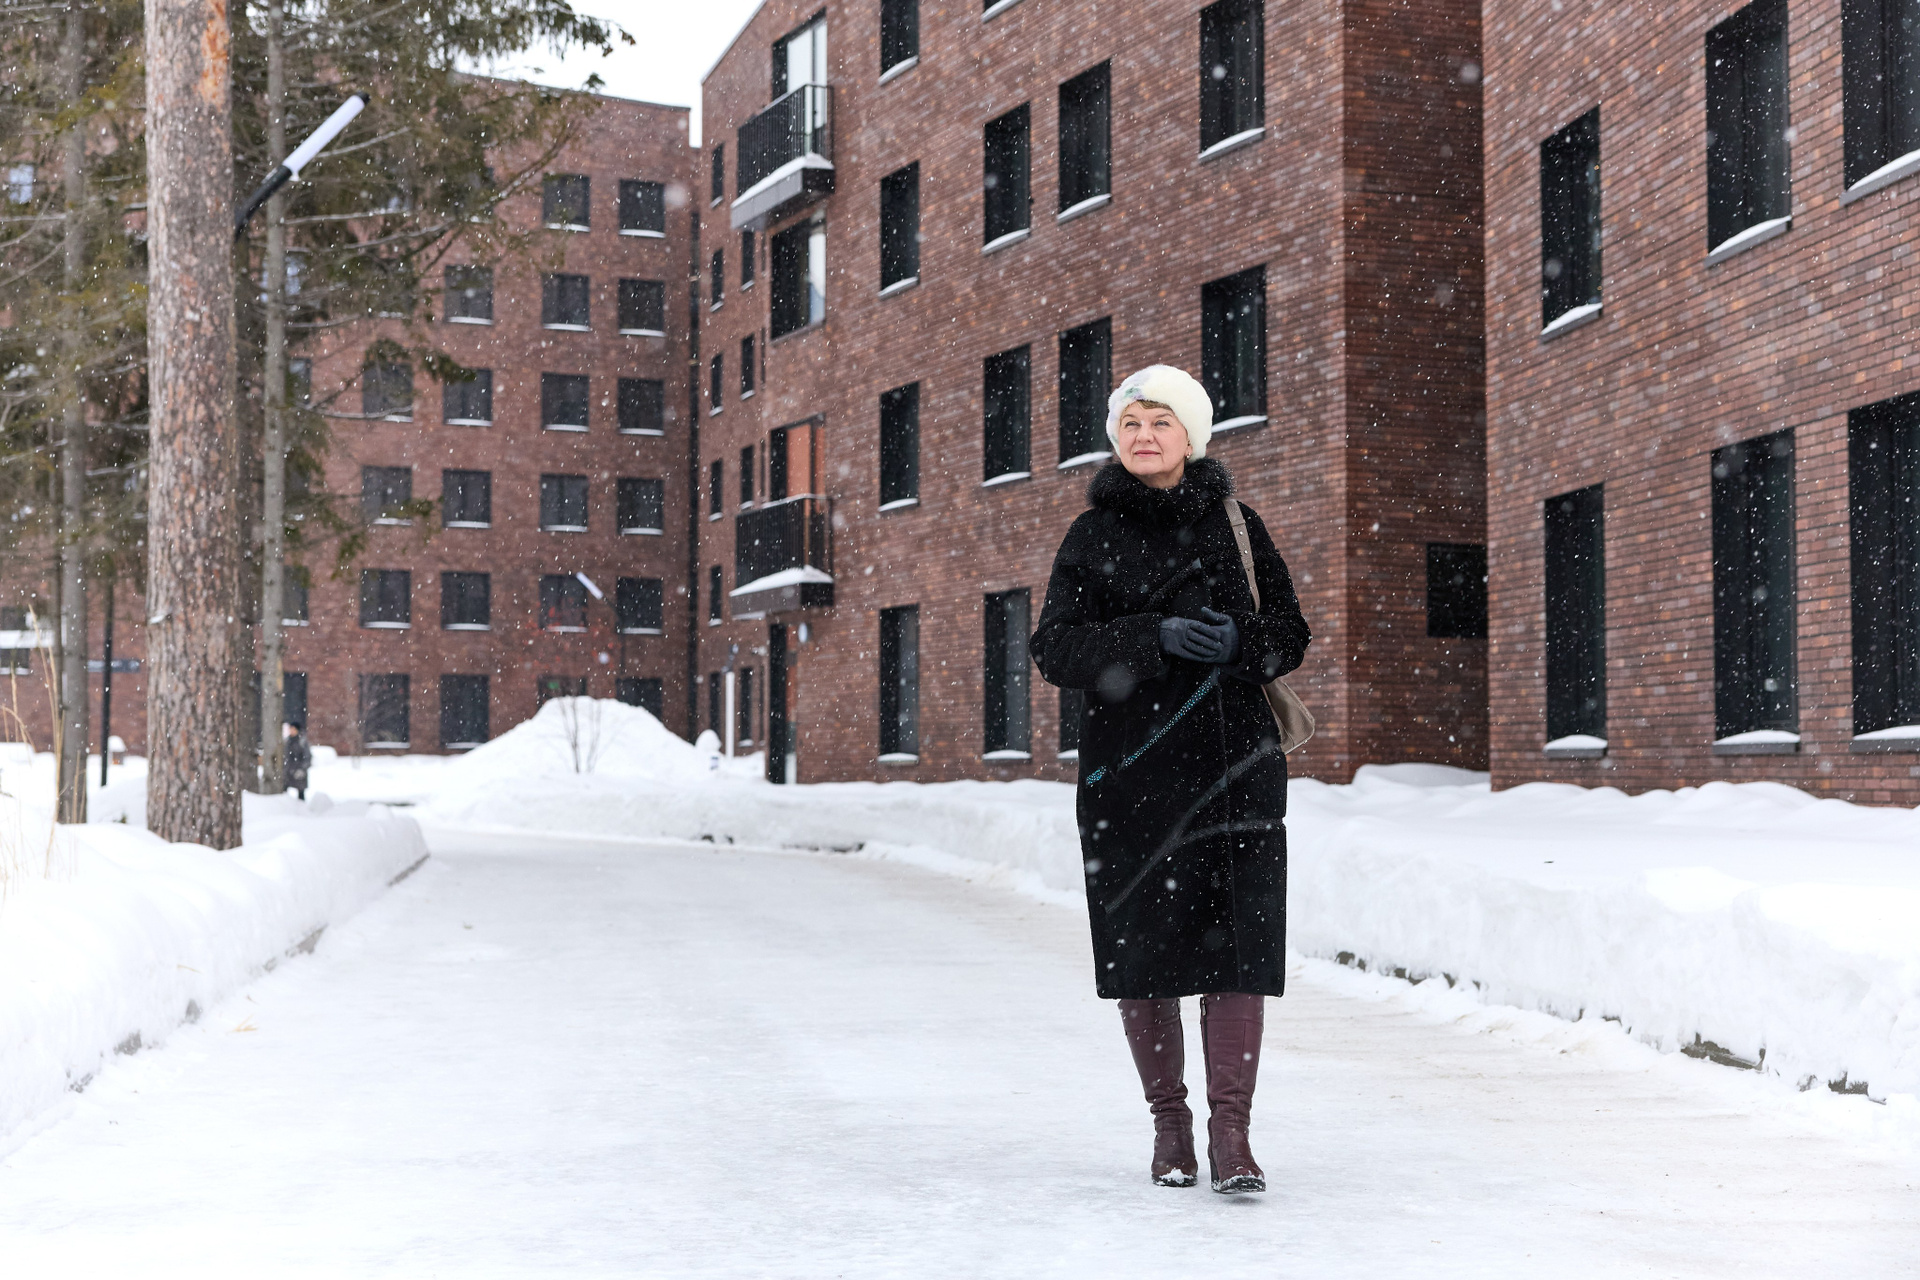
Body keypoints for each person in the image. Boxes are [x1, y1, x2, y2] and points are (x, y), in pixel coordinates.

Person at [1031, 365, 1310, 1194]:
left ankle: (1232, 1135)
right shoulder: (1091, 535)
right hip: (1130, 779)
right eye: (1131, 424)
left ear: (1191, 435)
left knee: (1239, 957)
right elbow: (1054, 650)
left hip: (1236, 774)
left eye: (1160, 422)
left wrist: (1239, 643)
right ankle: (1170, 1126)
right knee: (1144, 957)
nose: (1144, 436)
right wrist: (1148, 636)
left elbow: (1290, 633)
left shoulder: (1238, 523)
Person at [283, 720, 312, 801]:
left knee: (300, 792)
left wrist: (302, 769)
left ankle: (301, 807)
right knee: (284, 791)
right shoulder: (287, 741)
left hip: (299, 770)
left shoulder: (302, 741)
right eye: (290, 729)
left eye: (293, 729)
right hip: (288, 771)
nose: (291, 731)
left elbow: (307, 756)